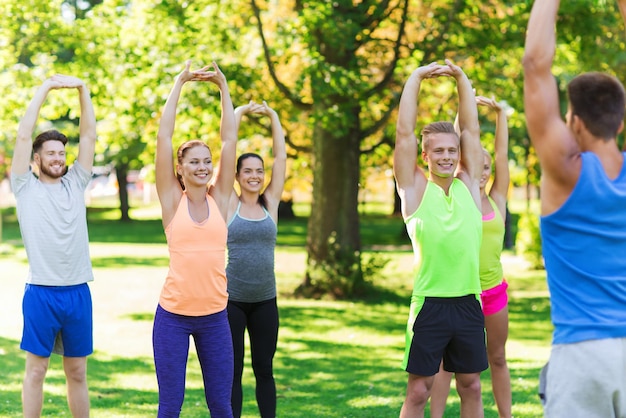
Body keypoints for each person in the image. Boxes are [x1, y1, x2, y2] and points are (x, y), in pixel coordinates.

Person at [523, 1, 626, 416]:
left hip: (582, 354)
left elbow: (535, 65)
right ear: (619, 122)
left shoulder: (565, 172)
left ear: (575, 122)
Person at [394, 59, 487, 418]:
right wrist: (416, 77)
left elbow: (473, 132)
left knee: (472, 386)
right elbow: (404, 133)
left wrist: (462, 78)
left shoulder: (469, 187)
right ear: (425, 155)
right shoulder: (414, 191)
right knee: (419, 391)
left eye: (452, 150)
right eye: (439, 151)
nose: (446, 156)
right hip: (430, 305)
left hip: (468, 302)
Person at [153, 60, 236, 418]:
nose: (203, 167)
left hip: (216, 317)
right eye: (195, 162)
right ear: (181, 167)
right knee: (171, 406)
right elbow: (163, 137)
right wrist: (179, 83)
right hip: (173, 317)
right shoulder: (173, 201)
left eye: (207, 161)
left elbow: (230, 139)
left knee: (221, 404)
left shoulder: (221, 199)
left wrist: (223, 88)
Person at [10, 75, 97, 417]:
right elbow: (22, 134)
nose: (58, 158)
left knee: (77, 372)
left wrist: (82, 91)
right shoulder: (24, 186)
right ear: (36, 159)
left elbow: (88, 135)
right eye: (51, 153)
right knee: (36, 371)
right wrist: (45, 88)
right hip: (41, 293)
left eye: (62, 153)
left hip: (77, 291)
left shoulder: (75, 183)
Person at [430, 96, 511, 418]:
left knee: (498, 358)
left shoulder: (498, 200)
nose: (483, 172)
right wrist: (463, 112)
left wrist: (501, 115)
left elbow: (502, 155)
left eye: (487, 168)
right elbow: (460, 139)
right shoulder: (456, 196)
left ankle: (508, 415)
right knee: (445, 365)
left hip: (493, 292)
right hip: (460, 293)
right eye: (477, 165)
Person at [226, 100, 286, 418]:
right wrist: (237, 115)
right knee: (233, 370)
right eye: (247, 171)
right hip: (232, 301)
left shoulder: (270, 203)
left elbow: (282, 158)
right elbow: (227, 146)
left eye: (258, 171)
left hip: (265, 301)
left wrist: (273, 117)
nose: (254, 175)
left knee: (264, 368)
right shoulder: (228, 203)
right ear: (236, 176)